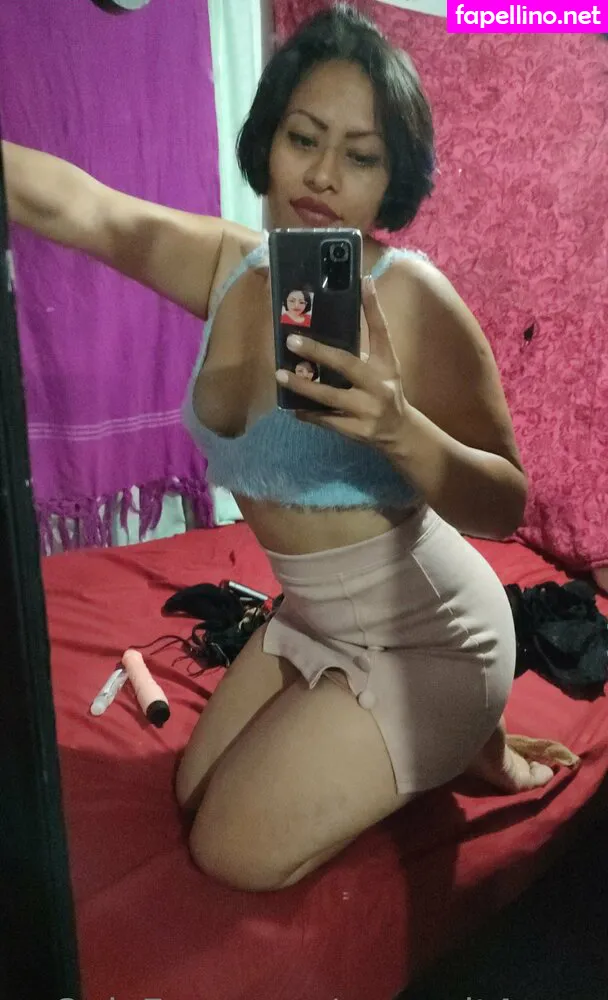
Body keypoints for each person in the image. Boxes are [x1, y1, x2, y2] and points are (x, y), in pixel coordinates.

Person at [3, 4, 578, 893]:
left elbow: (505, 502)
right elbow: (86, 209)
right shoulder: (226, 267)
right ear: (268, 139)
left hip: (433, 638)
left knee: (228, 849)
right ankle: (448, 741)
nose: (322, 175)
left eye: (361, 156)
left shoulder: (412, 297)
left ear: (392, 179)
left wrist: (400, 428)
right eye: (304, 138)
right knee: (193, 793)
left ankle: (467, 731)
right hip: (312, 615)